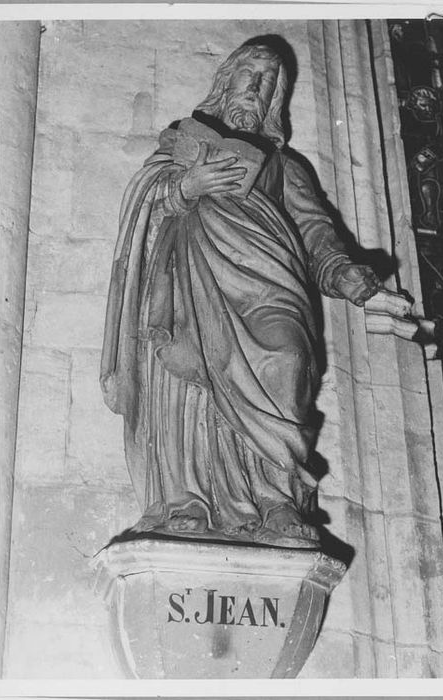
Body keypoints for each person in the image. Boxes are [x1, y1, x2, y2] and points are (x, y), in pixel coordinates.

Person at [100, 39, 387, 548]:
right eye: (249, 73)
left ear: (277, 97)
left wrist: (345, 274)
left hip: (271, 283)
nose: (256, 87)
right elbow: (143, 201)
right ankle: (185, 498)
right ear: (226, 80)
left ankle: (277, 499)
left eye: (269, 80)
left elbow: (317, 232)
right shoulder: (181, 145)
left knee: (288, 357)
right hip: (194, 278)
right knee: (189, 376)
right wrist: (189, 186)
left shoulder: (286, 165)